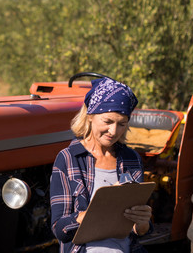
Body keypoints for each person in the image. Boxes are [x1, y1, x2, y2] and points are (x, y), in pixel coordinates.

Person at [50, 77, 152, 253]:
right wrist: (98, 209)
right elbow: (60, 229)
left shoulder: (132, 160)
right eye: (108, 121)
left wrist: (142, 223)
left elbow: (138, 231)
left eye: (122, 124)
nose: (114, 131)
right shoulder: (68, 158)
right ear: (90, 116)